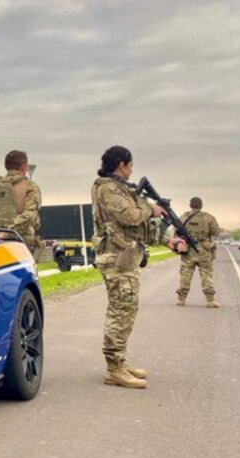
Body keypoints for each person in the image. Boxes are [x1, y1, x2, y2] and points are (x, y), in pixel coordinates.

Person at [90, 146, 165, 389]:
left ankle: (119, 362)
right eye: (130, 165)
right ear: (122, 164)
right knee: (121, 311)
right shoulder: (108, 188)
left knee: (126, 309)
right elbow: (130, 217)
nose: (132, 171)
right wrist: (150, 209)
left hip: (124, 256)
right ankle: (114, 369)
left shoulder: (118, 188)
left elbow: (136, 227)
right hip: (116, 258)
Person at [0, 150, 42, 256]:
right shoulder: (29, 187)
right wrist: (9, 232)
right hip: (22, 244)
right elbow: (30, 215)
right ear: (24, 167)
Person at [174, 197, 221, 307]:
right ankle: (210, 300)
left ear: (190, 205)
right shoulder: (208, 218)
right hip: (204, 250)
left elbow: (176, 231)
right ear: (201, 205)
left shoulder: (183, 217)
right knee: (206, 274)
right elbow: (216, 232)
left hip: (188, 249)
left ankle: (181, 299)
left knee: (185, 273)